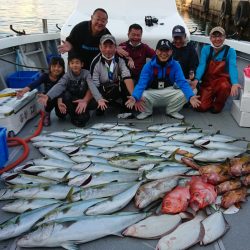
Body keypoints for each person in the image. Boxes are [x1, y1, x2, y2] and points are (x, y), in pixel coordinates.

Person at [125, 39, 201, 120]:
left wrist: (191, 97)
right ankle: (147, 111)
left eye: (167, 50)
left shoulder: (176, 65)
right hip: (152, 94)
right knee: (140, 93)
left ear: (171, 52)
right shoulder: (148, 66)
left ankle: (172, 111)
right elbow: (141, 84)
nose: (164, 53)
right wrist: (134, 97)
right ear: (156, 51)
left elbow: (182, 82)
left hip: (168, 92)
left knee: (192, 91)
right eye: (161, 50)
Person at [191, 26, 241, 113]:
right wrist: (196, 79)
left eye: (220, 36)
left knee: (224, 86)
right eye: (214, 36)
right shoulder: (206, 49)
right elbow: (202, 65)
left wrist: (235, 83)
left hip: (221, 81)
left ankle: (218, 104)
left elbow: (233, 67)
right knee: (201, 107)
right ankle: (209, 99)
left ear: (224, 37)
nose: (217, 39)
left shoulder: (230, 51)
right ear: (210, 38)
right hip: (208, 83)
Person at [38, 53, 95, 127]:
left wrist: (86, 100)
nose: (75, 65)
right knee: (61, 114)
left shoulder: (87, 74)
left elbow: (92, 87)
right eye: (72, 63)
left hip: (82, 100)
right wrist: (48, 96)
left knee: (84, 118)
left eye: (77, 63)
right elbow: (60, 85)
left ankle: (84, 111)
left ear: (82, 64)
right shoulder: (66, 76)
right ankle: (72, 116)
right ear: (69, 65)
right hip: (72, 101)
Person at [89, 34, 134, 118]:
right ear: (100, 47)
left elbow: (127, 76)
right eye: (105, 46)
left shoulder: (120, 59)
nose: (108, 50)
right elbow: (94, 85)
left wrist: (134, 96)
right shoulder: (95, 62)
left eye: (111, 46)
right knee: (94, 105)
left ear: (115, 47)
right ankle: (108, 104)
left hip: (114, 87)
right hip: (102, 89)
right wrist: (99, 99)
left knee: (127, 83)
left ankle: (125, 109)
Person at [16, 57, 65, 126]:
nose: (56, 69)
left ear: (63, 68)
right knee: (46, 97)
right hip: (48, 98)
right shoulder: (45, 76)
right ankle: (47, 114)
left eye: (59, 67)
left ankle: (62, 111)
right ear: (50, 67)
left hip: (60, 98)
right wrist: (24, 90)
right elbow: (35, 83)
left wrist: (60, 101)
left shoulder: (64, 77)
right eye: (54, 66)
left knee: (61, 116)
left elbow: (63, 91)